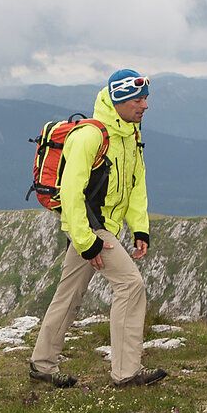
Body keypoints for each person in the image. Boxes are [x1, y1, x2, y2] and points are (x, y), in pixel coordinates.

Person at [28, 70, 166, 388]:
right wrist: (87, 240)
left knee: (69, 294)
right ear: (118, 99)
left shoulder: (130, 134)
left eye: (145, 98)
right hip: (91, 228)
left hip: (103, 227)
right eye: (138, 100)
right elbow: (71, 192)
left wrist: (140, 229)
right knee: (130, 285)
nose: (145, 106)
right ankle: (126, 373)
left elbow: (135, 184)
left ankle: (41, 364)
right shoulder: (90, 136)